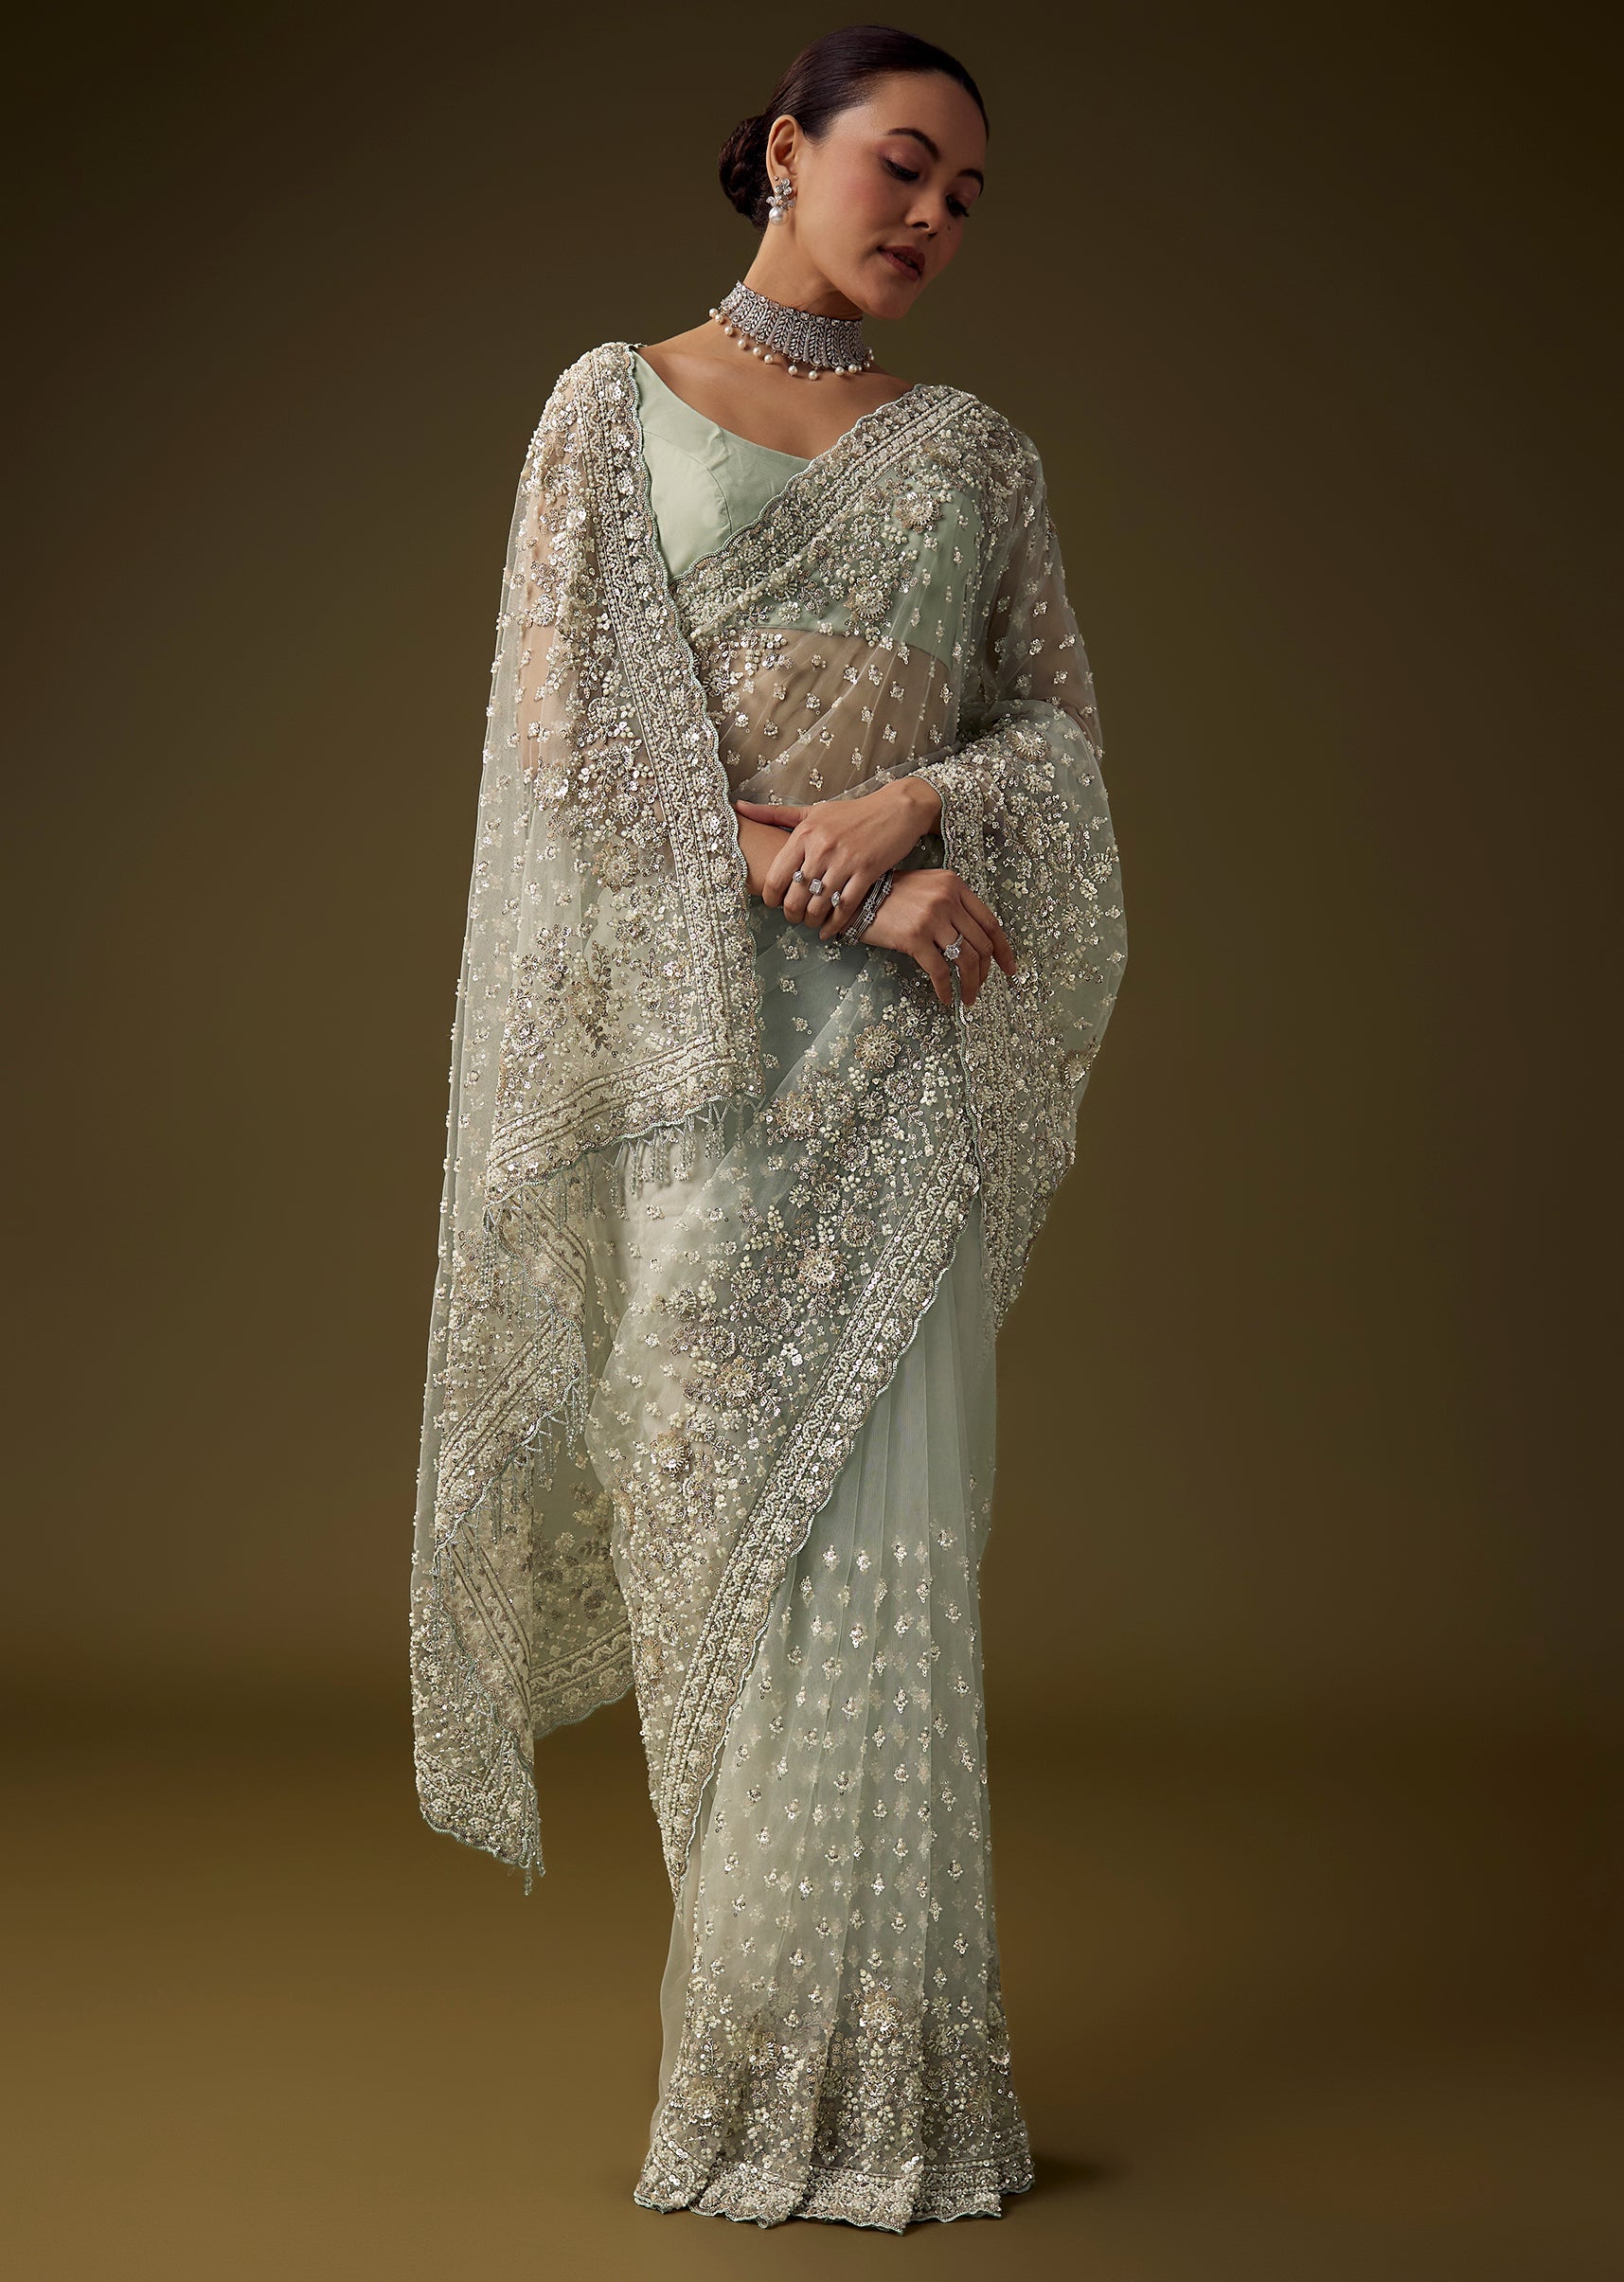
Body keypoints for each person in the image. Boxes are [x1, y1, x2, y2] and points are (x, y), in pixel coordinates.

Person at [409, 23, 1127, 2233]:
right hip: (699, 1071)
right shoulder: (608, 409)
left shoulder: (976, 456)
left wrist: (923, 803)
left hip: (897, 1081)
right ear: (788, 153)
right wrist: (840, 878)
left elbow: (1060, 746)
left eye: (966, 196)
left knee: (889, 1553)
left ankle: (898, 2091)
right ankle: (748, 2085)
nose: (932, 215)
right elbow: (571, 760)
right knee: (727, 1547)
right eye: (903, 164)